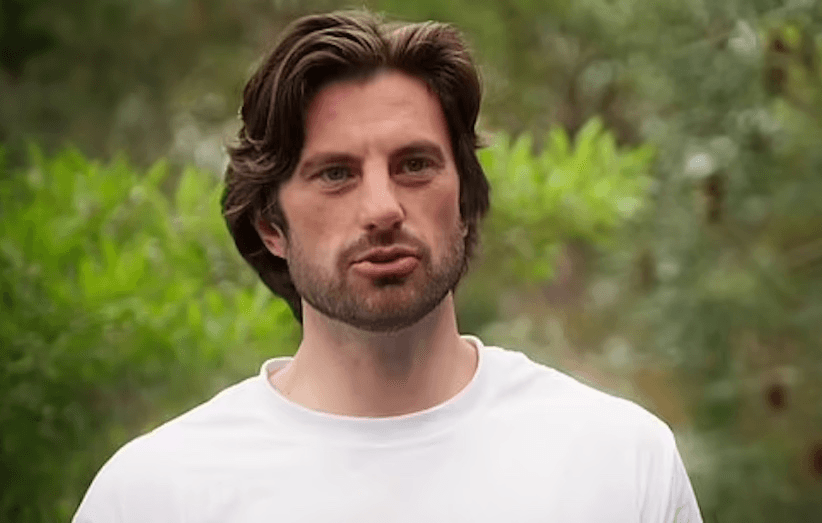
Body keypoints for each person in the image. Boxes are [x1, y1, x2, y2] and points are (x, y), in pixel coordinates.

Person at [74, 10, 703, 523]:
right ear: (271, 226)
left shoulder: (618, 463)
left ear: (463, 199)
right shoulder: (154, 495)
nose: (382, 209)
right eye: (336, 174)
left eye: (414, 165)